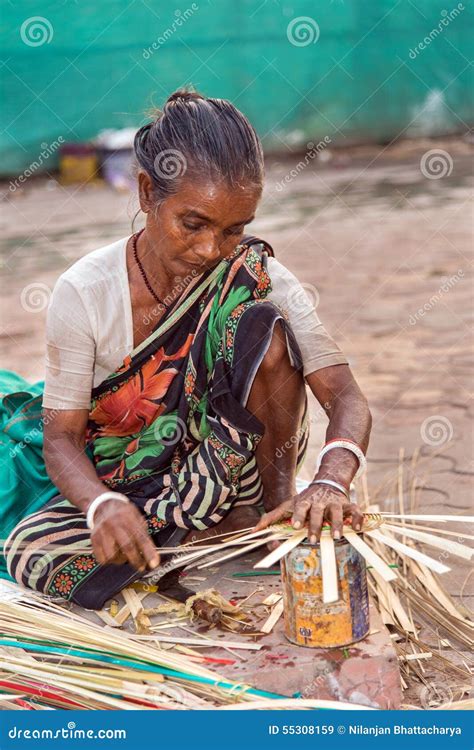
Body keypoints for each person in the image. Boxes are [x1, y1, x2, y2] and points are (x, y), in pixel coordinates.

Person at [3, 89, 371, 609]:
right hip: (133, 488)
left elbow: (345, 396)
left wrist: (332, 481)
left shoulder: (256, 277)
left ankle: (274, 505)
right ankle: (196, 536)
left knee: (262, 326)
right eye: (193, 224)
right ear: (148, 192)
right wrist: (102, 505)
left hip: (235, 475)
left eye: (234, 230)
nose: (210, 250)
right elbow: (60, 440)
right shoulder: (84, 291)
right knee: (30, 551)